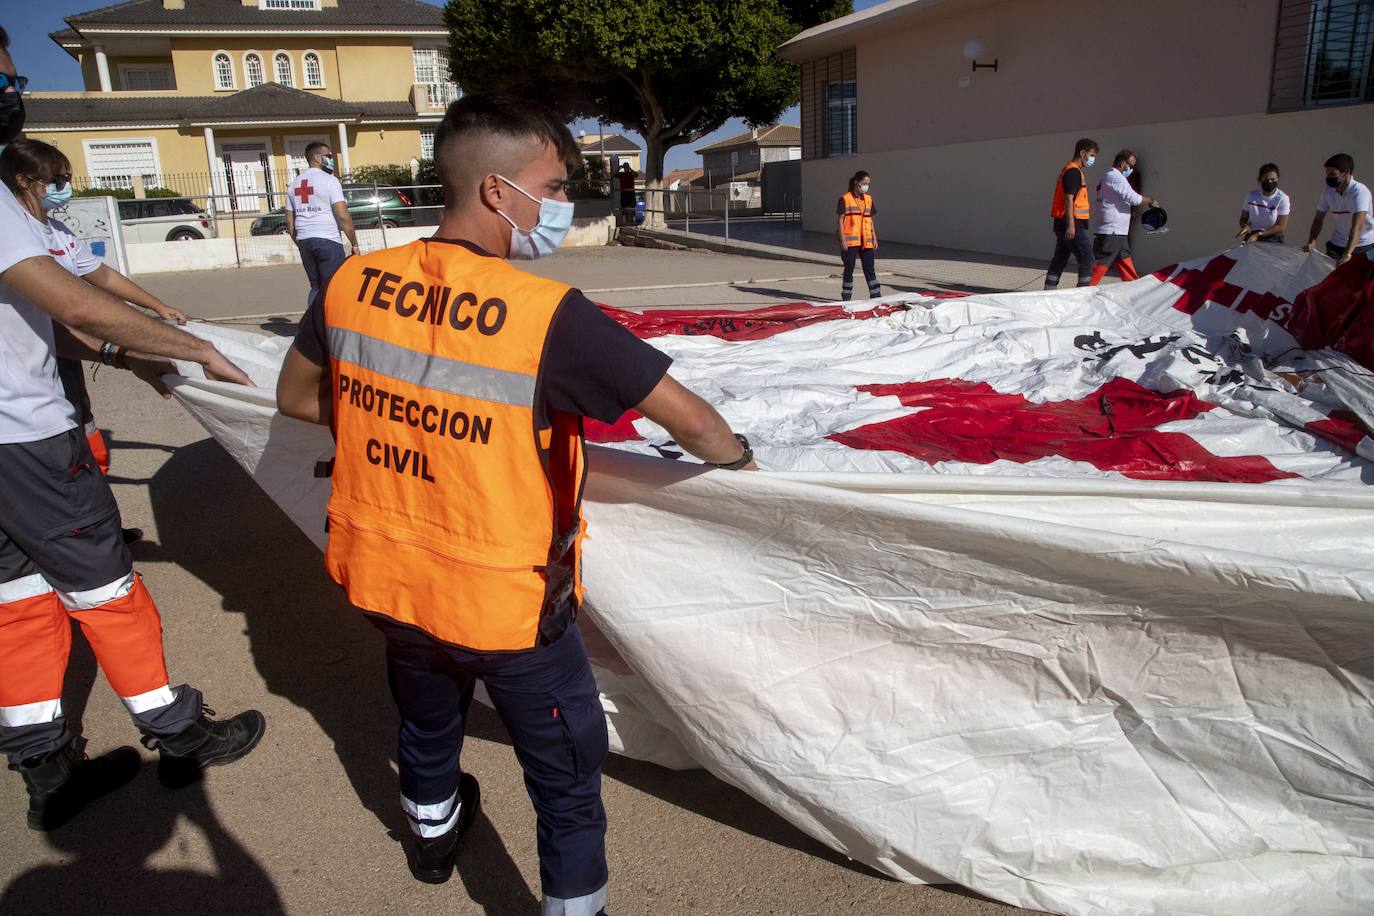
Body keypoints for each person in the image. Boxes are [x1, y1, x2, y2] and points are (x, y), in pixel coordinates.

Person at [276, 91, 756, 914]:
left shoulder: (354, 283)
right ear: (499, 191)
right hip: (504, 604)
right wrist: (744, 465)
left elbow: (295, 396)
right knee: (565, 781)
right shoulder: (545, 317)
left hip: (390, 580)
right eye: (554, 182)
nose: (562, 203)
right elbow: (698, 426)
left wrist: (400, 417)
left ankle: (429, 840)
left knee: (427, 725)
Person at [0, 28, 265, 833]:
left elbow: (51, 315)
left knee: (16, 600)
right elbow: (71, 301)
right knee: (104, 591)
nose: (15, 87)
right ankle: (179, 732)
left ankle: (44, 763)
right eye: (7, 73)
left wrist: (129, 353)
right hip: (25, 440)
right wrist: (194, 349)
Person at [3, 139, 192, 546]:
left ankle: (97, 523)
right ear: (24, 180)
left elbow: (101, 276)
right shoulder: (15, 233)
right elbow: (76, 307)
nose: (65, 186)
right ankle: (76, 536)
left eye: (68, 178)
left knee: (84, 440)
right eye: (57, 179)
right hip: (35, 358)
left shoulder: (58, 231)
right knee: (58, 450)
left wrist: (157, 305)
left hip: (66, 354)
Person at [285, 141, 357, 306]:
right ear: (317, 158)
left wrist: (301, 241)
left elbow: (290, 222)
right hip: (328, 239)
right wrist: (354, 243)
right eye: (328, 156)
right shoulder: (330, 181)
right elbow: (343, 215)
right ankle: (329, 326)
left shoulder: (294, 184)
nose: (331, 159)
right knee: (333, 286)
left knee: (315, 286)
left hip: (304, 240)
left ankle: (311, 325)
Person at [1089, 150, 1160, 286]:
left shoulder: (1108, 176)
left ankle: (1135, 289)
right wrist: (1151, 200)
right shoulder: (1116, 177)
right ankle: (1083, 291)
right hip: (1112, 231)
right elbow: (1133, 198)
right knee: (1100, 266)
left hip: (1118, 231)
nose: (1132, 169)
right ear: (1122, 163)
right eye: (1131, 165)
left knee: (1124, 261)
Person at [1045, 138, 1099, 289]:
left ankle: (1049, 289)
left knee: (1061, 257)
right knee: (1087, 258)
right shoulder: (1074, 171)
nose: (1093, 159)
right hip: (1072, 223)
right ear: (1082, 153)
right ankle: (1082, 293)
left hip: (1061, 222)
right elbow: (1069, 199)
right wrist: (1071, 226)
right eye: (1092, 155)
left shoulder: (1069, 170)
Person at [1303, 153, 1374, 264]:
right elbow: (1318, 218)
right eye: (1327, 174)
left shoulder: (1360, 192)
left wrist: (1347, 254)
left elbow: (1358, 225)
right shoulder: (1328, 190)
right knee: (1330, 278)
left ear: (1346, 172)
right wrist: (1312, 241)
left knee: (1355, 280)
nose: (1328, 178)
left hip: (1362, 246)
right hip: (1337, 244)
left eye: (1333, 174)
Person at [836, 170, 880, 301]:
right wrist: (842, 239)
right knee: (849, 267)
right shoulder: (845, 199)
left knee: (869, 268)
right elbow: (840, 219)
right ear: (856, 182)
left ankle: (876, 296)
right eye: (864, 183)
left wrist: (874, 237)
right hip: (851, 241)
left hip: (866, 240)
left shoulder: (868, 199)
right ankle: (846, 297)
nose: (866, 186)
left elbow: (870, 219)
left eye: (868, 183)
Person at [1236, 162, 1290, 245]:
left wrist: (1259, 235)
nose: (1269, 182)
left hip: (1273, 238)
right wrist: (1245, 226)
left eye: (1273, 179)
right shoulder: (1251, 195)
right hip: (1252, 237)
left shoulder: (1282, 198)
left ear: (1278, 178)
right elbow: (1243, 217)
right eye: (1266, 179)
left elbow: (1281, 226)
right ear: (1260, 179)